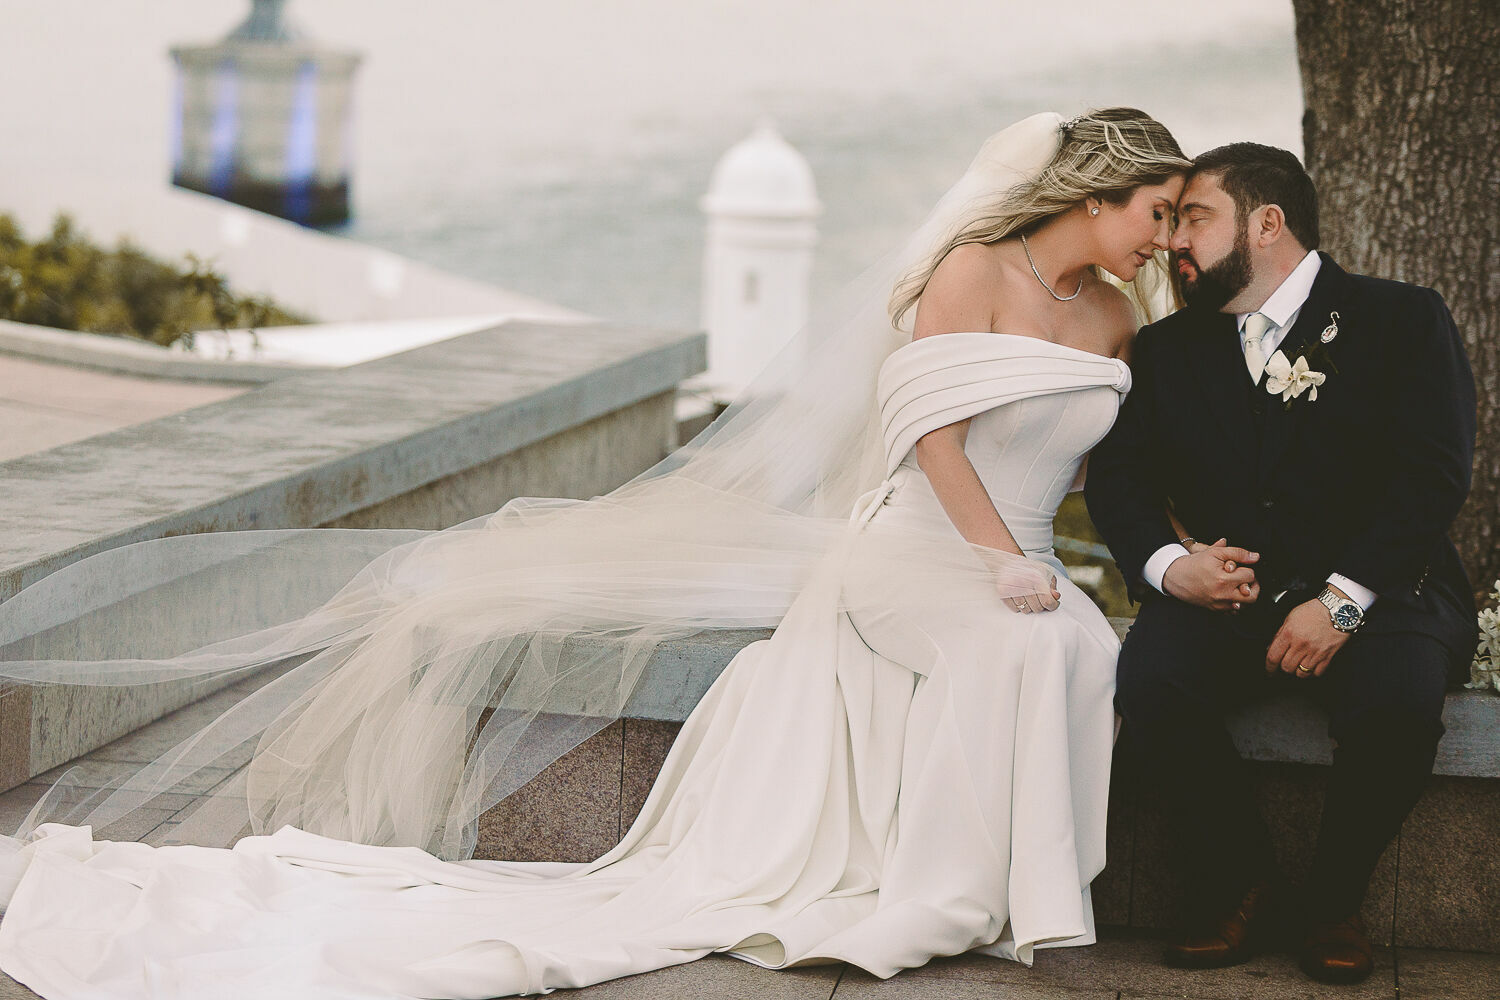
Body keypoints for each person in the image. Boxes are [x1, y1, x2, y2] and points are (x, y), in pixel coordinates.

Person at [0, 110, 1189, 999]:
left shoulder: (1116, 317)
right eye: (1157, 211)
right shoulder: (970, 273)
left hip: (1024, 554)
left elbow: (1102, 461)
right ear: (1099, 194)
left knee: (1083, 651)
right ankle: (952, 901)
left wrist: (1176, 550)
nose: (1164, 237)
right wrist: (995, 560)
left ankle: (1024, 896)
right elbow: (930, 437)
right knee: (1009, 648)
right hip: (919, 548)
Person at [1085, 143, 1477, 986]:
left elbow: (1434, 473)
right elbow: (1120, 479)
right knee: (1150, 681)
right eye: (1172, 221)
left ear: (1266, 224)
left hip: (1385, 589)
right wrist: (1169, 567)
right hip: (1230, 595)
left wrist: (1342, 601)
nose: (1174, 241)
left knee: (1398, 706)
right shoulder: (1166, 350)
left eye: (1195, 218)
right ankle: (1241, 884)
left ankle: (1333, 903)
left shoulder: (1402, 318)